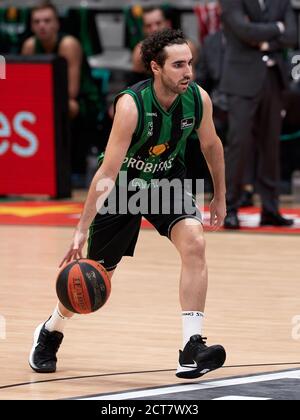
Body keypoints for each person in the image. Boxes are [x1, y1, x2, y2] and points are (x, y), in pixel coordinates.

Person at [29, 29, 227, 380]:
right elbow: (107, 172)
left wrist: (220, 196)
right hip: (122, 190)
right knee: (92, 279)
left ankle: (191, 347)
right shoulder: (131, 106)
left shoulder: (198, 99)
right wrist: (79, 229)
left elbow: (212, 146)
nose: (188, 72)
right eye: (178, 65)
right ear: (155, 67)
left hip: (167, 182)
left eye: (190, 64)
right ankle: (50, 331)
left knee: (195, 243)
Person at [219, 0, 297, 229]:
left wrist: (261, 37)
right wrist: (277, 28)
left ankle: (271, 209)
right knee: (239, 145)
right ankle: (230, 208)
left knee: (271, 146)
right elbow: (242, 30)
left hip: (273, 79)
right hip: (241, 80)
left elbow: (293, 34)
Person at [21, 1, 104, 181]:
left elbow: (71, 91)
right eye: (37, 22)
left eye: (47, 20)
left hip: (83, 100)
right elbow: (25, 86)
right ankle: (33, 167)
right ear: (31, 25)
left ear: (57, 23)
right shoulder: (29, 46)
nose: (42, 25)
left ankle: (71, 169)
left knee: (68, 106)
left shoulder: (68, 44)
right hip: (46, 99)